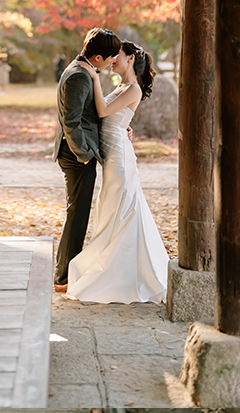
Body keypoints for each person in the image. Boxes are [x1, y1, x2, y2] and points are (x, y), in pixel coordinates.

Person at [66, 41, 168, 303]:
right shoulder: (121, 87)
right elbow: (106, 117)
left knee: (120, 210)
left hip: (119, 160)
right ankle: (112, 266)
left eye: (117, 56)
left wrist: (93, 75)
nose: (112, 60)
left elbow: (102, 109)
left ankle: (121, 273)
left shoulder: (133, 89)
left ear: (130, 59)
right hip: (111, 154)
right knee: (112, 212)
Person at [51, 27, 122, 293]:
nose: (113, 61)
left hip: (77, 153)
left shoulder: (82, 69)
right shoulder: (79, 76)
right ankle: (63, 277)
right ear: (98, 57)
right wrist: (84, 155)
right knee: (77, 214)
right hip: (76, 155)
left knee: (78, 213)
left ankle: (66, 273)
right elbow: (71, 122)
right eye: (111, 56)